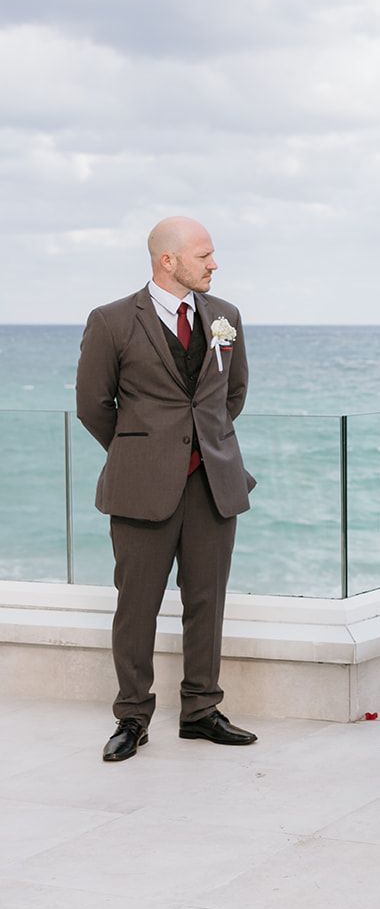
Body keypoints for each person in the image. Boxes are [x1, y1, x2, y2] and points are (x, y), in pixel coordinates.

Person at [75, 217, 258, 762]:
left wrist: (203, 445)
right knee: (137, 607)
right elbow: (92, 406)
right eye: (204, 255)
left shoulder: (226, 317)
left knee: (208, 601)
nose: (214, 263)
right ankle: (132, 716)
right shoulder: (110, 321)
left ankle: (201, 710)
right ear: (168, 261)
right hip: (141, 489)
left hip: (212, 484)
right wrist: (141, 453)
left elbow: (233, 393)